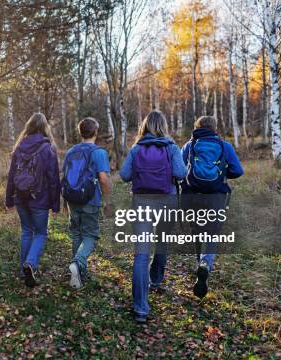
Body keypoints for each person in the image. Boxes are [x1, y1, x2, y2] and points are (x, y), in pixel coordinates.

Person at [120, 110, 186, 323]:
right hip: (167, 199)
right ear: (164, 126)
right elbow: (180, 174)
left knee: (141, 254)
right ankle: (155, 280)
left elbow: (124, 175)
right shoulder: (171, 147)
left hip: (141, 202)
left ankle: (140, 308)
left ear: (145, 126)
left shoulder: (136, 148)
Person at [181, 115, 243, 298]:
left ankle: (199, 262)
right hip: (216, 196)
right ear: (215, 128)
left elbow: (178, 167)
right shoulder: (224, 146)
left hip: (192, 196)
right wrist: (222, 173)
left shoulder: (189, 145)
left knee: (197, 231)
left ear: (197, 127)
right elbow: (238, 170)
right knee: (212, 233)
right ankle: (205, 264)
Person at [6, 113, 60, 288]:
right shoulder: (48, 148)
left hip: (20, 197)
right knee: (41, 233)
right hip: (40, 199)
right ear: (45, 128)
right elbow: (53, 178)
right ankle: (30, 263)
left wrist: (9, 200)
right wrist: (55, 203)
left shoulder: (19, 147)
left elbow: (11, 175)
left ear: (28, 127)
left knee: (27, 231)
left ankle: (24, 270)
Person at [62, 117, 110, 289]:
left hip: (72, 199)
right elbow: (103, 179)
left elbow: (65, 178)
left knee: (76, 234)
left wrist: (64, 202)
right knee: (90, 235)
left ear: (80, 132)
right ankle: (78, 263)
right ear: (95, 132)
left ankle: (78, 275)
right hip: (91, 199)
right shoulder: (99, 152)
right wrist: (107, 200)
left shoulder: (70, 152)